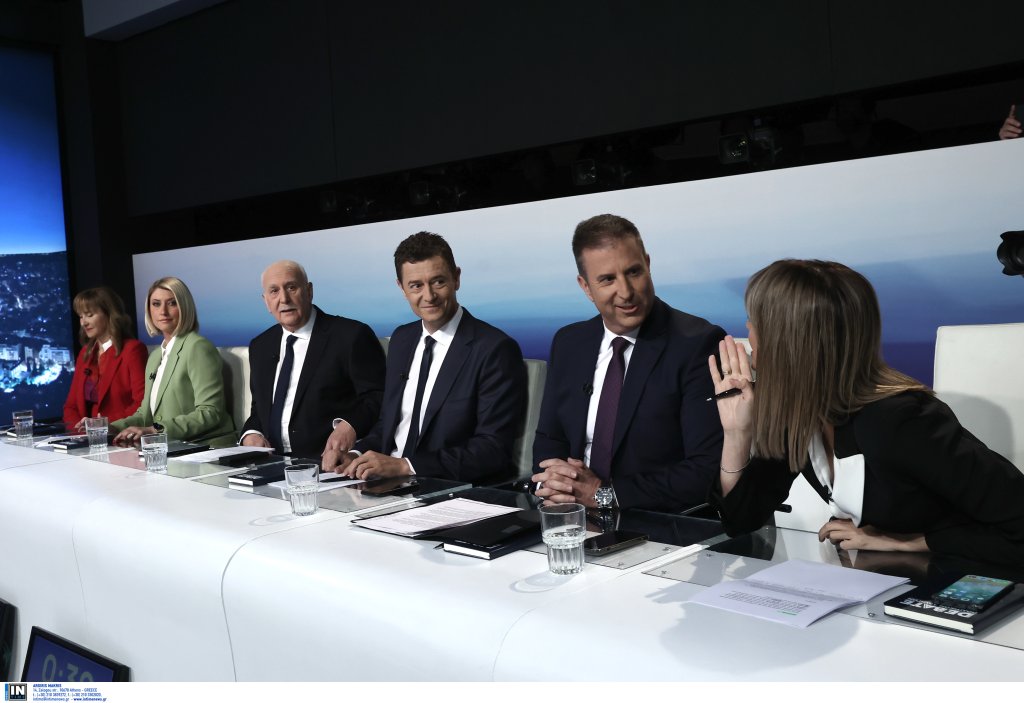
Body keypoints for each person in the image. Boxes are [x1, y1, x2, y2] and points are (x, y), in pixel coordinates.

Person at [709, 259, 1024, 566]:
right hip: (883, 578)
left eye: (754, 320)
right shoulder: (796, 413)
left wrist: (910, 542)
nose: (748, 330)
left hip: (968, 576)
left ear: (788, 341)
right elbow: (740, 521)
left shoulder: (900, 420)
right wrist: (737, 434)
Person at [532, 214, 725, 511]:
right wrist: (555, 484)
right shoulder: (569, 342)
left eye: (633, 272)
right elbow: (550, 437)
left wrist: (603, 496)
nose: (625, 292)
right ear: (586, 286)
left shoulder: (697, 344)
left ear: (648, 264)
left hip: (659, 521)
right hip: (572, 514)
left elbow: (706, 469)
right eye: (607, 279)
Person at [326, 232, 526, 483]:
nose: (429, 296)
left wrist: (405, 466)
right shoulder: (402, 339)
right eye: (416, 286)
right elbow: (391, 424)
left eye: (438, 282)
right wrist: (355, 455)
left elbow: (492, 449)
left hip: (446, 487)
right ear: (402, 288)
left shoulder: (494, 348)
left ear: (456, 278)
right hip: (385, 483)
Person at [240, 260, 385, 459]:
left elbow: (378, 397)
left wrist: (350, 425)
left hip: (328, 461)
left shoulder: (350, 336)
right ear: (266, 301)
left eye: (291, 287)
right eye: (274, 291)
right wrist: (251, 434)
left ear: (309, 291)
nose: (284, 298)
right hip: (271, 461)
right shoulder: (260, 346)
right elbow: (260, 409)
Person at [111, 277, 235, 447]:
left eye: (172, 303)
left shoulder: (198, 347)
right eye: (156, 304)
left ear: (184, 307)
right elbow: (145, 415)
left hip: (203, 445)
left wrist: (156, 430)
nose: (163, 311)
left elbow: (210, 412)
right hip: (169, 446)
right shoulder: (155, 356)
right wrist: (110, 428)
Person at [63, 287, 148, 429]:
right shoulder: (85, 353)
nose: (83, 323)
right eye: (81, 316)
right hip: (86, 437)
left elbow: (141, 404)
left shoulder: (133, 350)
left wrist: (104, 425)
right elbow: (71, 406)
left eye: (89, 315)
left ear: (109, 314)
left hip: (120, 434)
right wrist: (80, 432)